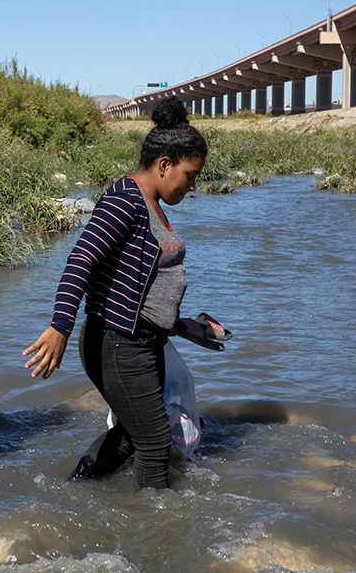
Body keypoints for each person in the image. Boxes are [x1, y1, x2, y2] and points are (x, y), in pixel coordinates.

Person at [22, 98, 207, 491]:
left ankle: (73, 491)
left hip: (141, 342)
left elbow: (138, 287)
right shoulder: (125, 200)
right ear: (164, 165)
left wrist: (183, 326)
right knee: (155, 442)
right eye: (190, 175)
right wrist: (60, 326)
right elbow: (81, 258)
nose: (193, 186)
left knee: (132, 433)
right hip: (119, 344)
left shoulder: (150, 204)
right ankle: (155, 522)